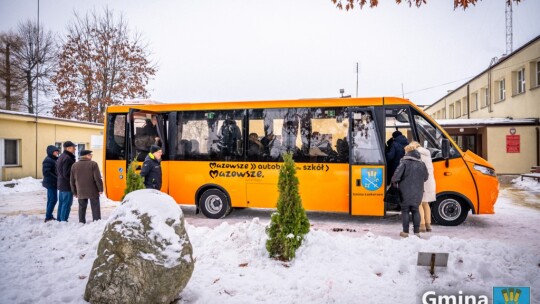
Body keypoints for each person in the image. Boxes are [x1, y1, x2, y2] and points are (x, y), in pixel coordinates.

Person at [391, 148, 428, 237]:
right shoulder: (422, 164)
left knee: (405, 210)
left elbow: (395, 177)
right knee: (416, 210)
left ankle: (405, 232)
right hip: (418, 192)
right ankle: (416, 232)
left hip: (404, 191)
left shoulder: (404, 163)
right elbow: (426, 177)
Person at [407, 141, 436, 232]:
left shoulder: (416, 154)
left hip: (420, 182)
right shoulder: (427, 154)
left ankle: (421, 225)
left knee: (418, 203)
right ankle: (428, 225)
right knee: (425, 203)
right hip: (429, 181)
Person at [70, 150, 103, 224]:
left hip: (80, 190)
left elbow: (72, 180)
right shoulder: (93, 164)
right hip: (93, 190)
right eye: (90, 155)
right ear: (86, 156)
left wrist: (74, 191)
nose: (91, 156)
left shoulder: (74, 165)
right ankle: (97, 222)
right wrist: (100, 189)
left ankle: (81, 222)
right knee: (95, 207)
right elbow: (97, 178)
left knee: (81, 207)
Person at [56, 141, 76, 222]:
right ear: (68, 148)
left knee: (61, 203)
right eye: (73, 147)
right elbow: (67, 173)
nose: (75, 149)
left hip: (61, 184)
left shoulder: (61, 156)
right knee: (67, 203)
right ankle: (63, 220)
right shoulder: (68, 158)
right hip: (67, 185)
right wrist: (73, 181)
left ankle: (60, 219)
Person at [42, 145, 60, 222]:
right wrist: (56, 178)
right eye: (55, 152)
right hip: (51, 183)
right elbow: (46, 172)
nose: (57, 153)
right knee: (53, 199)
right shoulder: (48, 160)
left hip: (52, 183)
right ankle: (48, 216)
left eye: (57, 152)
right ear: (51, 152)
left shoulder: (53, 159)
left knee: (50, 200)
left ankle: (49, 215)